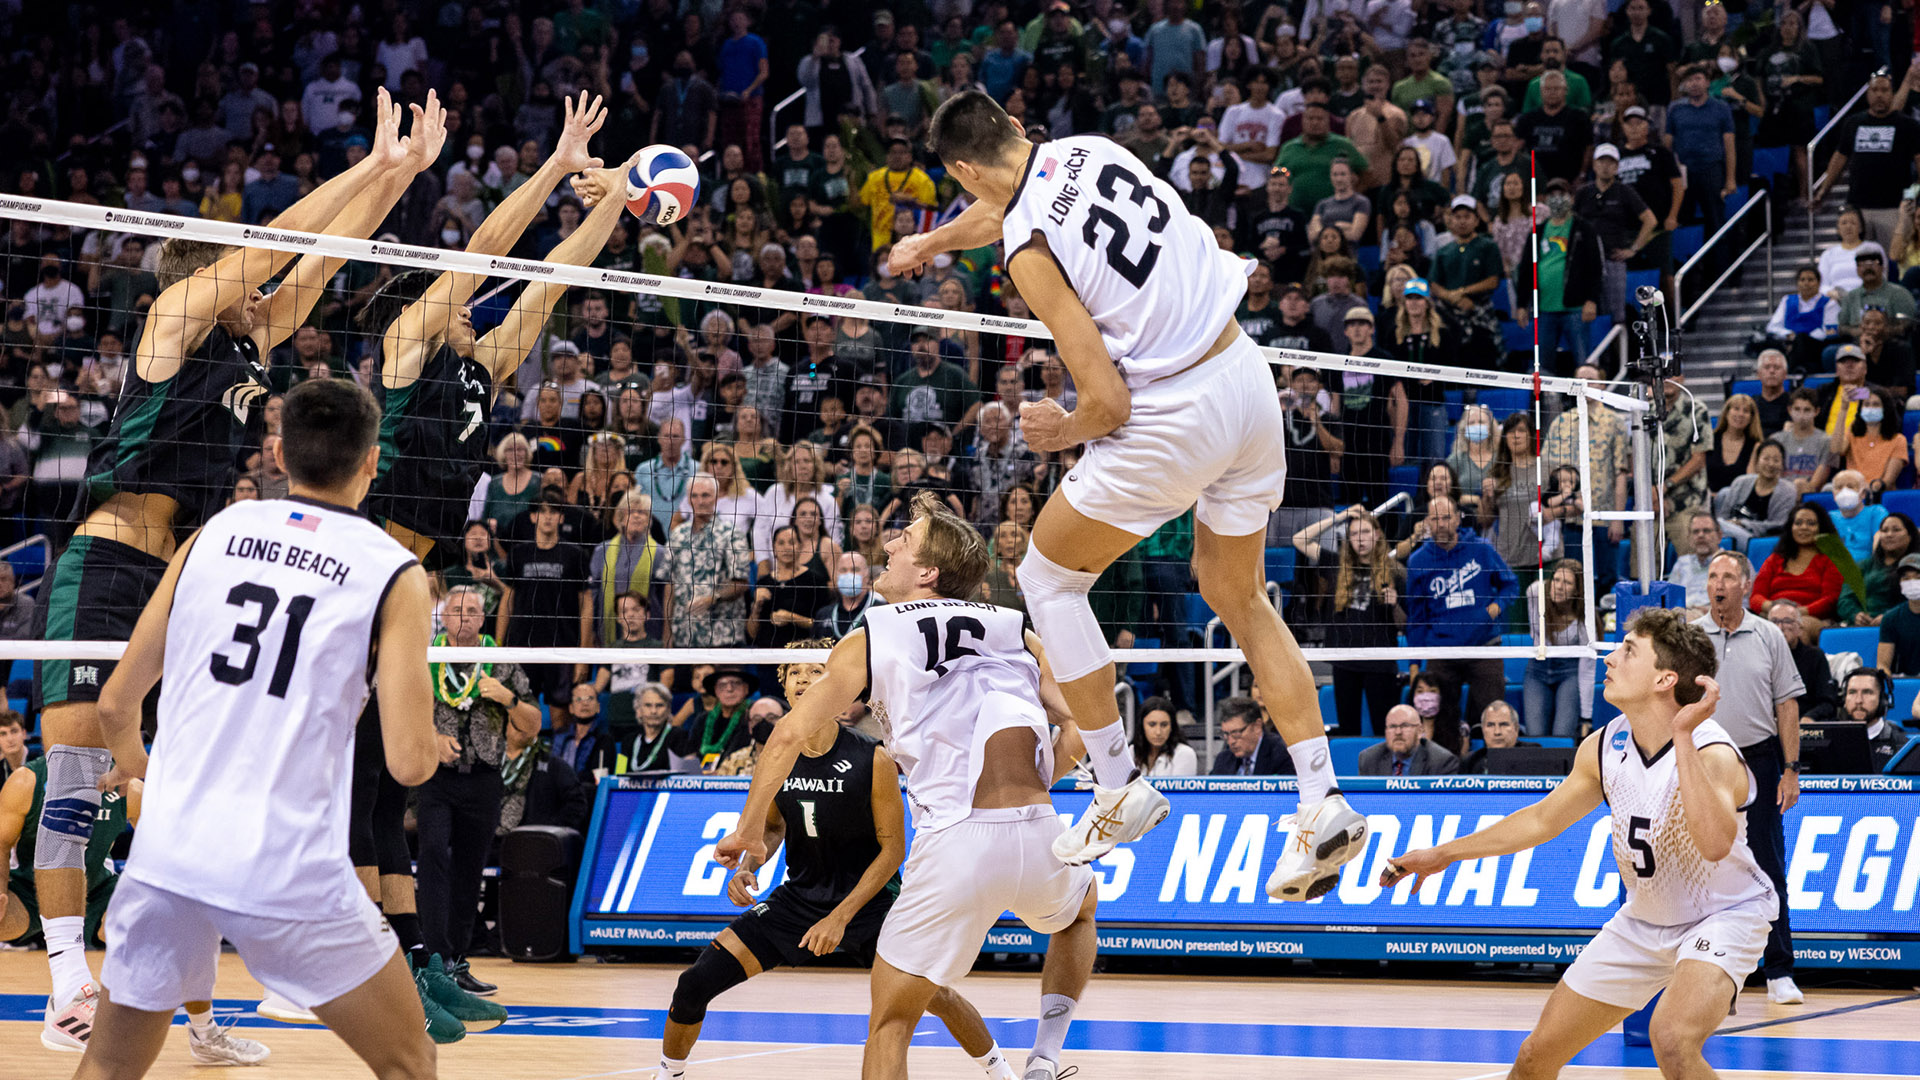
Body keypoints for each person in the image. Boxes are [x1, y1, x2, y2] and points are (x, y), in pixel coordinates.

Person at [31, 89, 438, 1048]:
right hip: (107, 563)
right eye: (248, 282)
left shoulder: (248, 342)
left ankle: (198, 1009)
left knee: (173, 787)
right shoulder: (172, 319)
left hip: (190, 581)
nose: (270, 295)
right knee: (81, 770)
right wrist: (372, 165)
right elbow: (275, 243)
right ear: (212, 278)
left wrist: (401, 177)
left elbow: (326, 258)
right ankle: (64, 985)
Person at [902, 89, 1364, 901]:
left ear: (965, 171)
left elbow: (1107, 402)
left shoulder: (1027, 252)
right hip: (1247, 382)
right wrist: (934, 244)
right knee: (1238, 594)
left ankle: (1117, 782)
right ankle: (1322, 799)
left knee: (1048, 579)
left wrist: (1061, 429)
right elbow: (1014, 211)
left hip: (1171, 414)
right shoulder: (1087, 149)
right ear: (1017, 123)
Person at [74, 379, 441, 1078]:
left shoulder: (213, 534)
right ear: (372, 462)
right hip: (285, 864)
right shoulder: (394, 572)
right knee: (410, 1062)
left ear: (278, 453)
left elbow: (117, 705)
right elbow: (410, 763)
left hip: (170, 851)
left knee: (108, 1068)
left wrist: (153, 778)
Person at [714, 493, 1097, 1080]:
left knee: (891, 1025)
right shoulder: (1013, 626)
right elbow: (1081, 724)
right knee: (1076, 917)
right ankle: (1044, 1058)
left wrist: (750, 832)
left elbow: (789, 734)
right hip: (1040, 830)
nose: (887, 545)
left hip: (955, 843)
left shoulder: (873, 632)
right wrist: (1039, 774)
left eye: (904, 540)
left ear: (927, 573)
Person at [1390, 608, 1780, 1074]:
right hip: (1644, 921)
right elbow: (1541, 821)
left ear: (1664, 679)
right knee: (1535, 1057)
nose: (1611, 658)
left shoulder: (1713, 753)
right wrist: (1442, 854)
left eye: (1629, 650)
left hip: (1725, 915)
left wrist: (1681, 734)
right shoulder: (1604, 743)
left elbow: (1715, 845)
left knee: (1672, 1038)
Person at [662, 640, 1021, 1080]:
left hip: (872, 906)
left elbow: (893, 852)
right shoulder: (777, 753)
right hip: (800, 900)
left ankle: (1001, 1072)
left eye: (817, 671)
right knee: (694, 983)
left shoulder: (873, 756)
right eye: (796, 672)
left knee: (936, 997)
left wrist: (840, 917)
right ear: (785, 685)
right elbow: (772, 827)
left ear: (838, 684)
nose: (806, 680)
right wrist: (749, 868)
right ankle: (668, 1073)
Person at [0, 759, 271, 1065]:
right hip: (29, 892)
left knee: (182, 927)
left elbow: (159, 851)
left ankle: (205, 1034)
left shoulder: (130, 789)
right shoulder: (29, 781)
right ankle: (72, 1000)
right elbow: (1, 841)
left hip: (97, 892)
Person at [1695, 551, 1806, 1005]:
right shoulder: (1691, 638)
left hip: (1758, 761)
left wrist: (1791, 770)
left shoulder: (1767, 635)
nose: (1719, 583)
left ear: (1746, 584)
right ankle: (1712, 976)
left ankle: (1779, 970)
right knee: (1702, 866)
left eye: (1728, 576)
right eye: (1713, 576)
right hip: (1702, 758)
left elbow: (1788, 705)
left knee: (1766, 865)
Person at [418, 586, 539, 995]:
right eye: (457, 610)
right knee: (432, 854)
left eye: (472, 610)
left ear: (483, 619)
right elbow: (398, 709)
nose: (464, 617)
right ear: (445, 618)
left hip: (484, 777)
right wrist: (430, 736)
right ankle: (431, 959)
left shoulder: (501, 660)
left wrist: (508, 700)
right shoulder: (426, 655)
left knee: (469, 872)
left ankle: (456, 962)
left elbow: (533, 724)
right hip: (435, 776)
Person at [1406, 496, 1518, 728]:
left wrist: (1495, 608)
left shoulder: (1481, 549)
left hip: (1483, 645)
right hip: (1442, 650)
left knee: (1495, 717)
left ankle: (1492, 763)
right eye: (1435, 519)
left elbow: (1511, 584)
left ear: (1458, 519)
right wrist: (1414, 664)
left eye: (1447, 517)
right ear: (1427, 522)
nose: (1441, 524)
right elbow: (1416, 619)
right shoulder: (1418, 561)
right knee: (1440, 722)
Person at [1296, 506, 1404, 737]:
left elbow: (1406, 625)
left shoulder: (1395, 571)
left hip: (1380, 661)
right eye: (1354, 534)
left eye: (1365, 532)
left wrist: (1394, 605)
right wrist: (1339, 517)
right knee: (1348, 729)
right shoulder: (1336, 564)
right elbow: (1300, 540)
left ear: (1376, 535)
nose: (1360, 539)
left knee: (1384, 729)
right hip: (1344, 661)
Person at [1814, 71, 1920, 247]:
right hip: (1858, 208)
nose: (1879, 95)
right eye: (1875, 90)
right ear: (1867, 94)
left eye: (1885, 90)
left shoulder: (1907, 125)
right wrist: (1823, 190)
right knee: (1860, 262)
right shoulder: (1853, 123)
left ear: (1892, 93)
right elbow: (1839, 158)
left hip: (1895, 208)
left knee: (1897, 262)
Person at [1573, 142, 1656, 321]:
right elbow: (1570, 224)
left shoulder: (1624, 191)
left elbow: (1650, 220)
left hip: (1613, 258)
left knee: (1616, 315)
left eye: (1610, 162)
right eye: (1601, 161)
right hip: (1586, 261)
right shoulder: (1583, 193)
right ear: (1594, 165)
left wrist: (1633, 249)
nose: (1605, 166)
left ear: (1617, 167)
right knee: (1586, 313)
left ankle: (1621, 349)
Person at [1526, 559, 1594, 738]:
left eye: (1567, 582)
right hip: (1537, 669)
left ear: (1578, 590)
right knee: (1535, 735)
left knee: (1561, 736)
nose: (1559, 587)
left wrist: (1586, 717)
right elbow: (1535, 635)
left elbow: (1587, 670)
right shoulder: (1536, 594)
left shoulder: (1584, 619)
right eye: (1556, 580)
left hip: (1569, 672)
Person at [1713, 441, 1796, 553]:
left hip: (1759, 539)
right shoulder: (1740, 482)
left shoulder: (1788, 491)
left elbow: (1779, 524)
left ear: (1782, 464)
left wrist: (1742, 524)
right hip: (1729, 530)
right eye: (1766, 458)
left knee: (1716, 527)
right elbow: (1724, 515)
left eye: (1776, 460)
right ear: (1757, 461)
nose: (1771, 464)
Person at [1766, 601, 1840, 724]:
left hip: (1803, 724)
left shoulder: (1815, 657)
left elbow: (1828, 702)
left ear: (1799, 628)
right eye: (1774, 621)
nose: (1779, 627)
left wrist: (1811, 717)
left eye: (1787, 621)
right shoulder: (1760, 657)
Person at [1841, 514, 1919, 626]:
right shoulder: (1864, 565)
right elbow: (1845, 599)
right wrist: (1855, 615)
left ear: (1910, 536)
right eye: (1884, 531)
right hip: (1862, 625)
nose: (1889, 535)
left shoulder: (1917, 565)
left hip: (1904, 623)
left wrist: (1891, 616)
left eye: (1896, 530)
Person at [1768, 266, 1841, 374]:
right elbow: (1772, 326)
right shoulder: (1787, 300)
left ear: (1819, 282)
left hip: (1816, 345)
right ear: (1797, 283)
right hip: (1789, 342)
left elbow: (1829, 329)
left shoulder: (1829, 303)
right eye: (1802, 280)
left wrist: (1800, 338)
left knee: (1802, 340)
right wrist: (1788, 334)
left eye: (1810, 280)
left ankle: (1791, 372)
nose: (1806, 283)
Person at [1836, 668, 1912, 771]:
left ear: (1883, 700)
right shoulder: (1831, 740)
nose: (1858, 700)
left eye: (1867, 692)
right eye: (1852, 692)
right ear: (1844, 699)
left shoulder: (1902, 746)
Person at [1359, 704, 1462, 775]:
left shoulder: (1441, 761)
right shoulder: (1369, 759)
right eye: (1392, 726)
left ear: (1420, 731)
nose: (1398, 732)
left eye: (1405, 726)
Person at [1209, 696, 1290, 776]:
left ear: (1257, 726)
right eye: (1226, 734)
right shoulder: (1223, 760)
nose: (1231, 742)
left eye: (1236, 733)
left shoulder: (1282, 755)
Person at [1461, 701, 1539, 774]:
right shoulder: (1470, 761)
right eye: (1490, 725)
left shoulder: (1532, 755)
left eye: (1503, 724)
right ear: (1483, 730)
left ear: (1516, 729)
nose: (1497, 732)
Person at [814, 551, 876, 638]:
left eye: (855, 570)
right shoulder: (823, 614)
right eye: (843, 570)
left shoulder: (879, 610)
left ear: (867, 575)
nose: (849, 574)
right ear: (837, 574)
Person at [1131, 697, 1197, 777]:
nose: (1158, 732)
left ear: (1172, 727)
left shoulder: (1184, 753)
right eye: (1152, 725)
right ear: (1142, 726)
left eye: (1164, 725)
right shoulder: (1132, 751)